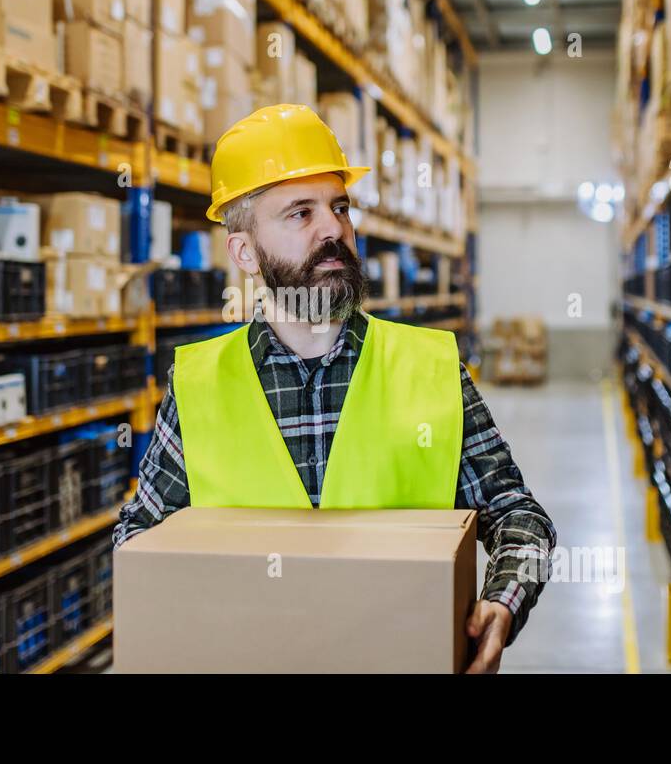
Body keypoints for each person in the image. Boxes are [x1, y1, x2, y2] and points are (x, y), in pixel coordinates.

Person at [115, 104, 556, 674]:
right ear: (244, 252)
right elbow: (138, 540)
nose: (334, 229)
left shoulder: (431, 367)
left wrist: (501, 603)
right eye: (301, 213)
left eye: (339, 207)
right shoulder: (200, 383)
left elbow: (520, 517)